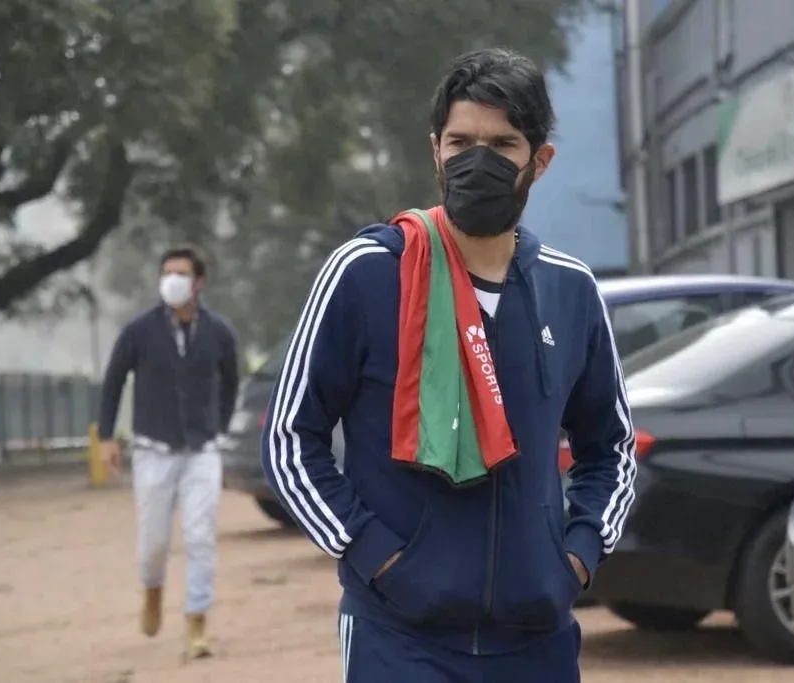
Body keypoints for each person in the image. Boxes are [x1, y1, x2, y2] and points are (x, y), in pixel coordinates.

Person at [262, 48, 637, 682]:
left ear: (540, 160)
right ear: (435, 150)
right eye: (461, 142)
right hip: (400, 637)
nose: (477, 161)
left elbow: (612, 446)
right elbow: (289, 440)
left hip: (537, 640)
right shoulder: (368, 273)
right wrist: (377, 557)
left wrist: (574, 556)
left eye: (503, 145)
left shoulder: (569, 289)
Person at [99, 244, 239, 659]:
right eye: (166, 273)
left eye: (180, 273)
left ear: (199, 282)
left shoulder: (219, 332)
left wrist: (220, 428)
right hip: (153, 450)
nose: (172, 281)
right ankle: (153, 589)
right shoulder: (139, 331)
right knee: (154, 541)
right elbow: (113, 381)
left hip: (202, 450)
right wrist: (106, 437)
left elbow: (230, 384)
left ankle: (197, 622)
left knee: (200, 536)